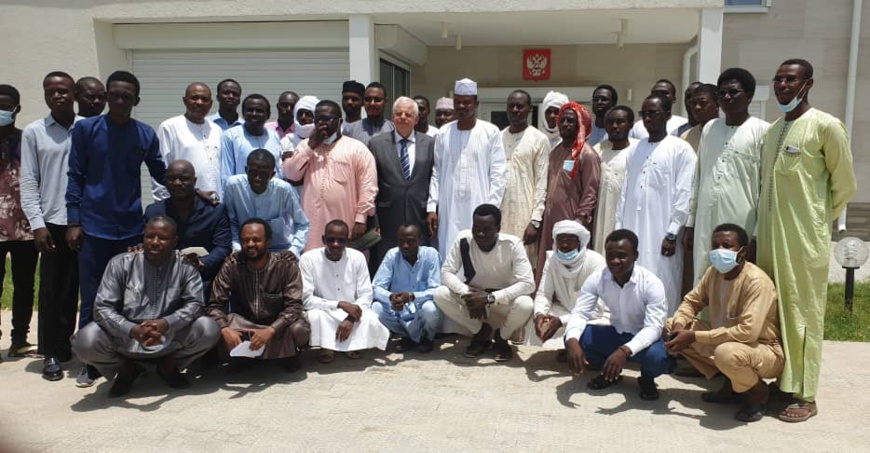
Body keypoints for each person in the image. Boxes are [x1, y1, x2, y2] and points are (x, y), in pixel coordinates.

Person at [757, 58, 856, 423]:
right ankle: (780, 382)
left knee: (802, 313)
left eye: (791, 79)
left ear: (808, 84)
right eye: (778, 78)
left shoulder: (826, 126)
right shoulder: (772, 131)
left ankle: (805, 392)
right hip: (769, 235)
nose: (783, 85)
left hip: (804, 239)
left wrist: (817, 222)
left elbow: (844, 183)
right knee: (773, 310)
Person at [66, 70, 167, 387]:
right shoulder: (86, 130)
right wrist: (73, 221)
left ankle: (130, 357)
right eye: (115, 95)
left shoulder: (144, 134)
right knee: (92, 297)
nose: (120, 100)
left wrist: (195, 193)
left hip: (130, 229)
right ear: (107, 96)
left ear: (136, 100)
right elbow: (75, 176)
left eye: (127, 96)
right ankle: (90, 363)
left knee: (131, 297)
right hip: (94, 228)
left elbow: (161, 172)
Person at [72, 216, 220, 398]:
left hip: (168, 335)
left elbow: (195, 305)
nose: (155, 243)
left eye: (163, 238)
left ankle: (169, 365)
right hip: (126, 337)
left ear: (175, 241)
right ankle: (127, 369)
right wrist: (132, 329)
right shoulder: (121, 263)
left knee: (208, 329)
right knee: (84, 340)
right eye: (150, 237)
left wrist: (165, 323)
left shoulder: (186, 266)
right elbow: (102, 308)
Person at [665, 223, 784, 422]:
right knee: (670, 326)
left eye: (727, 246)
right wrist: (680, 326)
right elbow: (691, 302)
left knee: (726, 353)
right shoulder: (714, 273)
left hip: (763, 349)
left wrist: (694, 336)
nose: (720, 251)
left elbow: (747, 333)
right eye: (716, 245)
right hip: (727, 341)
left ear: (742, 251)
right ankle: (731, 384)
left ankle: (758, 392)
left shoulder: (756, 281)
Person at [20, 72, 82, 379]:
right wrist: (37, 224)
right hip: (53, 222)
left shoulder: (88, 127)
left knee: (82, 287)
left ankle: (78, 346)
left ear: (74, 93)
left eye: (63, 90)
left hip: (85, 221)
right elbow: (29, 181)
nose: (57, 96)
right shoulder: (35, 132)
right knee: (53, 290)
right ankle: (52, 352)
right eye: (51, 91)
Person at [685, 68, 769, 286]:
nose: (727, 97)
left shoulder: (762, 131)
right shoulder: (710, 128)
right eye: (722, 93)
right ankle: (704, 320)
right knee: (703, 274)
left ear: (749, 96)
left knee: (738, 276)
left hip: (742, 221)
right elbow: (698, 176)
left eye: (733, 92)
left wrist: (757, 235)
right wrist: (690, 222)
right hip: (705, 220)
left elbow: (766, 186)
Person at [565, 229, 668, 401]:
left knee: (657, 358)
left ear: (635, 255)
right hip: (615, 334)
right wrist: (572, 341)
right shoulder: (597, 278)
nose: (614, 261)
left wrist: (624, 351)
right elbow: (580, 312)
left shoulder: (651, 283)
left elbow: (654, 328)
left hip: (644, 340)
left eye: (621, 256)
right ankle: (610, 373)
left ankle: (647, 379)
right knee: (574, 338)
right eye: (610, 255)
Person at [616, 93, 696, 314]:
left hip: (663, 234)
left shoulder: (680, 149)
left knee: (663, 282)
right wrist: (619, 229)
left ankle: (663, 336)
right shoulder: (635, 149)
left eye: (653, 113)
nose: (648, 119)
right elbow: (625, 191)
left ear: (668, 115)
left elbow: (684, 192)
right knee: (634, 281)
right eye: (644, 114)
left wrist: (672, 232)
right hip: (633, 230)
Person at [207, 218, 309, 372]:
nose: (250, 245)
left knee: (299, 328)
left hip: (279, 325)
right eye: (245, 240)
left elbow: (294, 307)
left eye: (256, 240)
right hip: (248, 323)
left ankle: (289, 355)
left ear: (268, 242)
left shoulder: (285, 264)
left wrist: (270, 330)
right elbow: (214, 305)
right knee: (221, 322)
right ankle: (246, 355)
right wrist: (225, 329)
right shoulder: (233, 264)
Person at [434, 204, 534, 362]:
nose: (480, 234)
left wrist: (489, 298)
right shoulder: (464, 239)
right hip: (473, 301)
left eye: (487, 229)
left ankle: (502, 338)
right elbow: (446, 272)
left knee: (526, 304)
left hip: (501, 302)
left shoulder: (512, 244)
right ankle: (481, 332)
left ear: (498, 228)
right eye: (476, 228)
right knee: (440, 294)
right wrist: (468, 294)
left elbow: (528, 283)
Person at [427, 78, 506, 260]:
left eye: (466, 102)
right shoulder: (443, 133)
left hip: (480, 205)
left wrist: (491, 210)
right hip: (449, 207)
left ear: (476, 104)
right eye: (457, 101)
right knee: (449, 251)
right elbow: (436, 172)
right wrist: (432, 207)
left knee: (479, 253)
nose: (461, 106)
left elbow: (499, 174)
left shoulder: (490, 132)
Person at [283, 100, 377, 252]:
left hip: (346, 221)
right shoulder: (306, 146)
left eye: (327, 119)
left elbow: (368, 186)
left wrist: (361, 219)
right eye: (318, 119)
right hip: (313, 224)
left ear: (340, 121)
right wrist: (311, 146)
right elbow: (291, 174)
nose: (322, 124)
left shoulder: (357, 148)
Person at [299, 220, 390, 363]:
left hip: (354, 310)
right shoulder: (308, 259)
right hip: (325, 310)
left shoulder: (357, 257)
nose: (335, 244)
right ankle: (327, 347)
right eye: (331, 240)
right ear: (323, 239)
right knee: (313, 316)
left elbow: (366, 295)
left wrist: (351, 317)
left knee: (371, 318)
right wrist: (339, 304)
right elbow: (306, 299)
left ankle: (352, 346)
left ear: (347, 241)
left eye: (341, 240)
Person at [145, 160, 231, 298]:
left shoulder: (215, 211)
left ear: (194, 181)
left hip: (203, 280)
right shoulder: (154, 212)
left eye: (184, 179)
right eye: (172, 179)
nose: (177, 183)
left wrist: (202, 263)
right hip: (163, 281)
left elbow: (222, 247)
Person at [536, 102, 600, 284]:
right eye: (561, 120)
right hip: (550, 221)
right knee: (549, 264)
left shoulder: (587, 154)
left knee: (570, 268)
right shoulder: (555, 152)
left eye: (570, 121)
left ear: (580, 124)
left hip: (571, 221)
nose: (564, 124)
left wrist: (578, 224)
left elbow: (590, 192)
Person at [369, 97, 435, 269]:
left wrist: (432, 210)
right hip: (387, 218)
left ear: (416, 119)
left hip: (419, 216)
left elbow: (433, 179)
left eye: (408, 114)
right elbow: (371, 184)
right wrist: (374, 220)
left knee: (420, 265)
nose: (403, 117)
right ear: (392, 117)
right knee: (387, 265)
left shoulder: (430, 144)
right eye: (399, 113)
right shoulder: (377, 144)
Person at [0, 84, 38, 359]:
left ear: (16, 109)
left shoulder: (27, 140)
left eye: (5, 106)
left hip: (25, 225)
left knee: (25, 285)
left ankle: (19, 339)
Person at [532, 220, 606, 353]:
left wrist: (561, 321)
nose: (564, 244)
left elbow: (596, 309)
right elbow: (544, 294)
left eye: (570, 240)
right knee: (538, 320)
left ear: (579, 242)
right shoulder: (552, 260)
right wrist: (539, 315)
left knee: (596, 329)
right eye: (560, 239)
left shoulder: (595, 261)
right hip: (564, 310)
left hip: (594, 316)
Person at [372, 224, 442, 353]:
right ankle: (407, 336)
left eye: (410, 241)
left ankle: (427, 338)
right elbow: (377, 287)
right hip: (399, 310)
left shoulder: (431, 255)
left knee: (430, 309)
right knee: (376, 308)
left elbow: (436, 290)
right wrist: (391, 298)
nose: (405, 245)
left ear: (420, 240)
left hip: (420, 308)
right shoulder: (392, 255)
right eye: (401, 241)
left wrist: (411, 297)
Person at [224, 150, 309, 256]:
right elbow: (231, 222)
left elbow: (302, 224)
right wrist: (237, 248)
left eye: (263, 174)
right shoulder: (233, 186)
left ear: (272, 175)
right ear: (246, 170)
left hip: (279, 250)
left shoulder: (284, 190)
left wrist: (293, 250)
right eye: (253, 172)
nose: (257, 178)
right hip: (246, 250)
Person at [500, 89, 549, 270]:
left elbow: (542, 182)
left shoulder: (539, 139)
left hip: (525, 214)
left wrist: (535, 220)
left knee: (524, 266)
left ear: (529, 109)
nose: (515, 110)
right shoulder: (497, 138)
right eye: (511, 106)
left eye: (520, 106)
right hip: (500, 214)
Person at [153, 82, 222, 201]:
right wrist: (164, 206)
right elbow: (160, 170)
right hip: (181, 204)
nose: (199, 103)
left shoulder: (217, 130)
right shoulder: (169, 127)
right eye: (194, 98)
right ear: (185, 100)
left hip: (214, 203)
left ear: (210, 104)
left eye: (204, 99)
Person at [592, 105, 638, 252]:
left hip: (629, 215)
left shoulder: (638, 150)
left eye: (620, 122)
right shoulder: (598, 151)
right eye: (610, 122)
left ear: (630, 124)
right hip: (602, 214)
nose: (614, 126)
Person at [220, 94, 282, 190]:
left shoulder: (274, 136)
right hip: (243, 197)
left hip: (271, 198)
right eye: (250, 110)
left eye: (259, 111)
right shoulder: (231, 136)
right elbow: (226, 173)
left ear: (268, 114)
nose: (254, 114)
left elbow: (278, 170)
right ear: (243, 113)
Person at [344, 82, 395, 147]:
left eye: (377, 100)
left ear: (386, 102)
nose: (372, 103)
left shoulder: (393, 129)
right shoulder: (350, 130)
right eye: (368, 99)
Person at [680, 83, 720, 151]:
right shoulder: (686, 137)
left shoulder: (728, 133)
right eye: (694, 103)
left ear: (717, 104)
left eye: (703, 103)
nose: (697, 107)